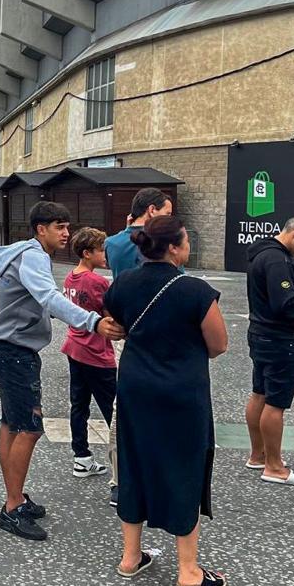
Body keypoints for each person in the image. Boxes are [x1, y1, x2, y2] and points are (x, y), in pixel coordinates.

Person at [103, 216, 228, 586]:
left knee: (135, 460)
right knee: (184, 466)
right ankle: (188, 570)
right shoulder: (194, 290)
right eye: (186, 240)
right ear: (174, 247)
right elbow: (219, 344)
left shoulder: (124, 283)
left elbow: (115, 322)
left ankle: (130, 556)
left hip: (135, 386)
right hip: (181, 391)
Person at [0, 201, 124, 542]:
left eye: (67, 226)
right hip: (15, 353)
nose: (66, 234)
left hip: (13, 351)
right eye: (59, 227)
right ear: (40, 230)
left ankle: (15, 497)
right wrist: (92, 321)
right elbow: (48, 297)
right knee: (29, 429)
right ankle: (12, 508)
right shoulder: (33, 256)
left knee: (12, 424)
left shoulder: (29, 255)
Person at [104, 186, 176, 507]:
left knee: (124, 406)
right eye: (167, 214)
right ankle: (155, 472)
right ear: (151, 212)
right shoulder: (162, 247)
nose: (171, 221)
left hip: (126, 331)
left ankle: (119, 479)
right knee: (161, 406)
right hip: (159, 335)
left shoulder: (114, 244)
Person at [244, 216, 294, 485]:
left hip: (260, 331)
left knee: (260, 393)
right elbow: (285, 304)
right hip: (280, 337)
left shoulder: (261, 252)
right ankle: (274, 467)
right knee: (275, 403)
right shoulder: (276, 260)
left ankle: (259, 454)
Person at [61, 227, 116, 479]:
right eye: (101, 249)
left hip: (74, 346)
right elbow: (110, 316)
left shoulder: (70, 277)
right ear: (87, 253)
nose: (105, 254)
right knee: (113, 409)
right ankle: (123, 462)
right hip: (96, 351)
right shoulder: (98, 282)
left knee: (79, 405)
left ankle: (81, 457)